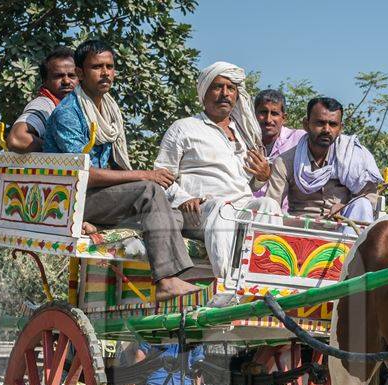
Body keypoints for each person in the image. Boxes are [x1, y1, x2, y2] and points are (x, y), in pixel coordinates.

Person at [44, 39, 198, 302]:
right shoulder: (68, 114)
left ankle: (185, 277)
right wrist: (145, 175)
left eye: (110, 66)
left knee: (173, 211)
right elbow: (85, 174)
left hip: (98, 197)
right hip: (73, 199)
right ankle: (166, 281)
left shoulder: (110, 109)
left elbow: (114, 164)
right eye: (97, 67)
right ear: (80, 73)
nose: (105, 73)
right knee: (148, 191)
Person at [154, 62, 282, 282]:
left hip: (240, 206)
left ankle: (266, 280)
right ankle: (227, 285)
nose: (225, 94)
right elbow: (161, 175)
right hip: (200, 210)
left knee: (269, 206)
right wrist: (184, 198)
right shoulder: (183, 127)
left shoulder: (244, 134)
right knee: (222, 209)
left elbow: (244, 183)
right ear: (204, 94)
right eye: (217, 87)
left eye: (230, 88)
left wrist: (262, 177)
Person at [266, 97, 383, 224]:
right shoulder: (285, 162)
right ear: (306, 124)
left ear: (340, 128)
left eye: (333, 124)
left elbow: (371, 197)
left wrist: (344, 206)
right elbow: (273, 205)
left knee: (362, 204)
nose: (327, 130)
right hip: (297, 231)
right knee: (268, 205)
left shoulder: (351, 157)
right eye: (320, 123)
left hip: (342, 230)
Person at [6, 47, 78, 153]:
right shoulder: (45, 105)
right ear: (45, 80)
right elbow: (17, 138)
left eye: (72, 76)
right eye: (58, 76)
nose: (66, 81)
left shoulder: (75, 106)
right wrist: (61, 152)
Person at [252, 89, 305, 212]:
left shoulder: (299, 139)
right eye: (263, 112)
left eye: (274, 113)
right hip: (247, 212)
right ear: (253, 115)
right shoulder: (243, 140)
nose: (268, 119)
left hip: (284, 216)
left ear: (284, 118)